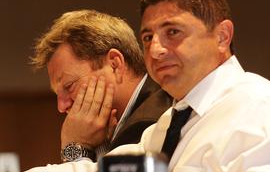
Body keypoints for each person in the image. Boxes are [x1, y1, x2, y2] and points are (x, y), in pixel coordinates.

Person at [17, 0, 270, 172]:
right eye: (147, 37)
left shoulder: (262, 106)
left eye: (173, 31)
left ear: (222, 36)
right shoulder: (172, 122)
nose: (155, 50)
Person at [30, 9, 172, 161]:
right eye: (57, 94)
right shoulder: (119, 124)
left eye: (69, 85)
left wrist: (75, 146)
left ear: (114, 64)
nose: (61, 106)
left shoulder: (151, 122)